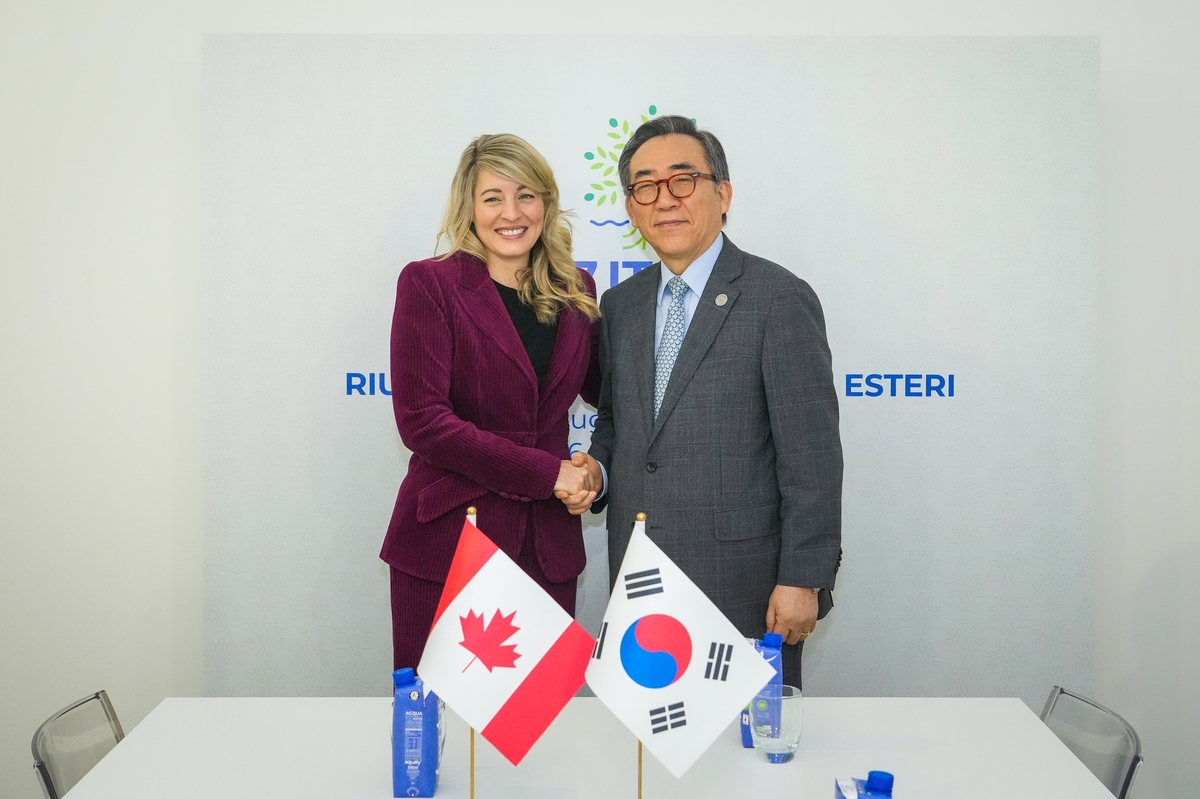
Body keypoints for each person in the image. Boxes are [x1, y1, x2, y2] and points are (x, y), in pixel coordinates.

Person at [565, 116, 843, 687]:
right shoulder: (621, 306)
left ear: (724, 193)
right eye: (645, 185)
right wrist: (598, 467)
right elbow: (620, 423)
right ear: (631, 206)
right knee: (648, 766)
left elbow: (811, 458)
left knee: (748, 765)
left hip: (743, 588)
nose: (664, 199)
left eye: (682, 180)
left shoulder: (778, 298)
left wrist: (803, 578)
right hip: (640, 584)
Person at [382, 133, 601, 670]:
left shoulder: (578, 290)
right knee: (435, 726)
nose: (512, 212)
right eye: (493, 197)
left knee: (535, 730)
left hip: (547, 548)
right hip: (450, 538)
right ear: (468, 207)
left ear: (547, 205)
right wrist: (547, 473)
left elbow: (612, 401)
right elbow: (423, 422)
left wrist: (592, 470)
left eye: (526, 195)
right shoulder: (429, 284)